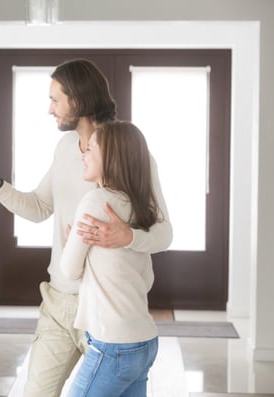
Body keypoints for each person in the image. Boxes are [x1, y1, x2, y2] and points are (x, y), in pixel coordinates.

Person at [0, 58, 172, 397]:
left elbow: (164, 233)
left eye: (55, 99)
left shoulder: (131, 154)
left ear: (77, 101)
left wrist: (129, 237)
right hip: (59, 302)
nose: (50, 109)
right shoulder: (66, 148)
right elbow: (39, 208)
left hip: (107, 308)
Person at [61, 121, 161, 397]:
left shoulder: (96, 202)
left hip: (112, 345)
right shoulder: (140, 207)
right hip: (144, 342)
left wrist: (70, 244)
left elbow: (69, 270)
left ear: (112, 158)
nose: (84, 154)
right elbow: (147, 280)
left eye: (91, 148)